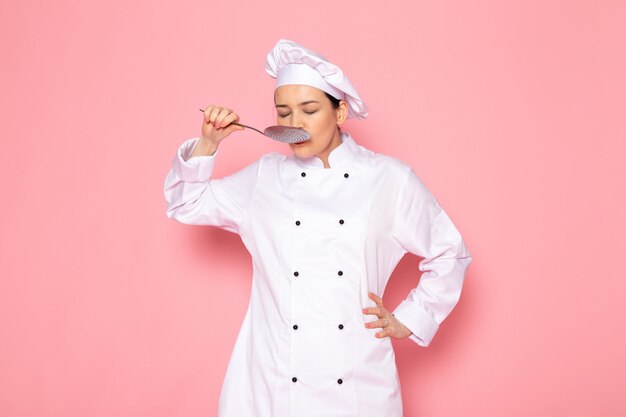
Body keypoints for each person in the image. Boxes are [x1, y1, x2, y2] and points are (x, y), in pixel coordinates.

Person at [163, 38, 472, 417]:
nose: (295, 124)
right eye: (284, 112)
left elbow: (449, 251)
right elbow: (185, 203)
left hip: (357, 382)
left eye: (309, 110)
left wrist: (410, 319)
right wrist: (208, 143)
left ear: (340, 113)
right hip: (274, 379)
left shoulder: (388, 179)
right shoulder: (265, 177)